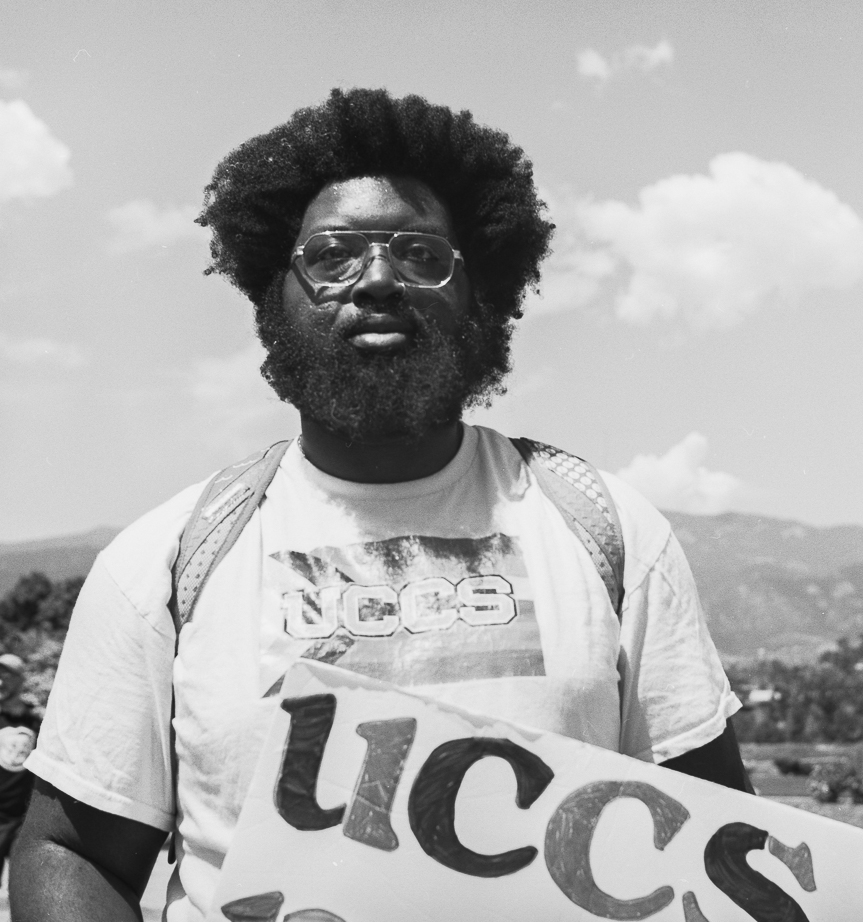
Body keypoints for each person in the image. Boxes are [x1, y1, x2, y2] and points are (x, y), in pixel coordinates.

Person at [12, 88, 750, 922]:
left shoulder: (608, 530)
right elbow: (70, 849)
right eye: (331, 256)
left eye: (420, 253)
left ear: (480, 293)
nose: (378, 281)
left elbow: (717, 849)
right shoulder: (167, 557)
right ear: (272, 298)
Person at [0, 654, 37, 887]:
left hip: (23, 815)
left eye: (6, 675)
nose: (1, 681)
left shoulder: (35, 720)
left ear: (20, 679)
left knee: (24, 883)